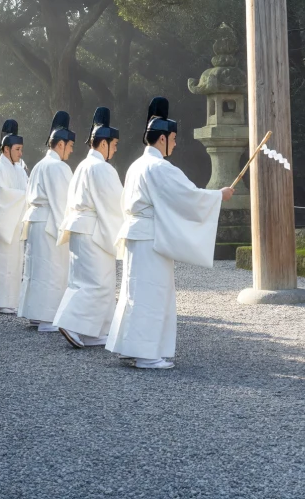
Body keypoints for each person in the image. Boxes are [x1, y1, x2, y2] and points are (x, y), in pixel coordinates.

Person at [106, 97, 234, 370]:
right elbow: (186, 195)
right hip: (149, 237)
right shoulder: (157, 167)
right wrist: (217, 196)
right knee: (151, 293)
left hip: (136, 234)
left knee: (135, 292)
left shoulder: (136, 166)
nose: (175, 143)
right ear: (162, 138)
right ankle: (145, 353)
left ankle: (132, 347)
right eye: (173, 138)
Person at [52, 107, 125, 348]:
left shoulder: (84, 165)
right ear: (103, 143)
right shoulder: (101, 168)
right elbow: (116, 202)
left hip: (80, 227)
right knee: (95, 283)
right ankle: (71, 323)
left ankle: (94, 331)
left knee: (88, 280)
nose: (115, 149)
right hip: (92, 230)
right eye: (113, 144)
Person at [18, 112, 76, 329]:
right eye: (69, 145)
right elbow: (63, 202)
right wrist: (69, 230)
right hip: (49, 223)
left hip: (36, 221)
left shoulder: (41, 165)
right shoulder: (57, 167)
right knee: (51, 269)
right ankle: (47, 317)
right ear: (60, 144)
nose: (71, 150)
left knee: (36, 268)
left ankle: (35, 313)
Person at [0, 120, 28, 313]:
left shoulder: (20, 169)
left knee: (16, 262)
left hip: (16, 222)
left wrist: (25, 198)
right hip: (4, 223)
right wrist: (23, 197)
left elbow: (27, 191)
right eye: (17, 149)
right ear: (5, 149)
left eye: (20, 149)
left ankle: (12, 300)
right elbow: (0, 197)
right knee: (1, 262)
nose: (20, 153)